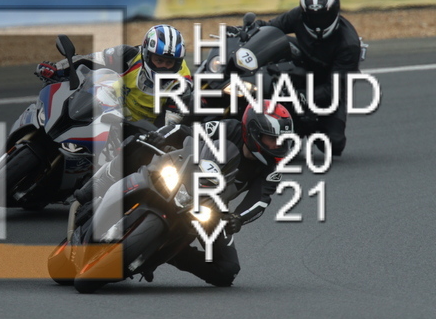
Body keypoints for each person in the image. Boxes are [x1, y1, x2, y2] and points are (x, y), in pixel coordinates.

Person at [73, 100, 294, 287]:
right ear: (253, 131)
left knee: (227, 270)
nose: (277, 145)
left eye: (281, 140)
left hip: (211, 207)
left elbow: (259, 200)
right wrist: (159, 136)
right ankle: (92, 190)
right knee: (139, 144)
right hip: (182, 176)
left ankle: (171, 253)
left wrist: (237, 218)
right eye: (271, 138)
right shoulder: (228, 128)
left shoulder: (271, 170)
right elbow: (185, 131)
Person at [253, 0, 361, 156]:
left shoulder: (349, 45)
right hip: (304, 66)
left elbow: (333, 90)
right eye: (312, 16)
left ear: (334, 12)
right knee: (277, 43)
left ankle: (303, 127)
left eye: (323, 17)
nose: (318, 22)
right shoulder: (297, 16)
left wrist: (300, 96)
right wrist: (247, 30)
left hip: (329, 83)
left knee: (333, 143)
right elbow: (269, 28)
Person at [34, 24, 193, 127]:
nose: (163, 67)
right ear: (146, 54)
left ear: (178, 63)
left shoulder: (182, 85)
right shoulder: (128, 55)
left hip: (139, 134)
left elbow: (169, 125)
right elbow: (89, 59)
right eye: (159, 60)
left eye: (169, 63)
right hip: (106, 110)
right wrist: (57, 68)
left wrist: (153, 136)